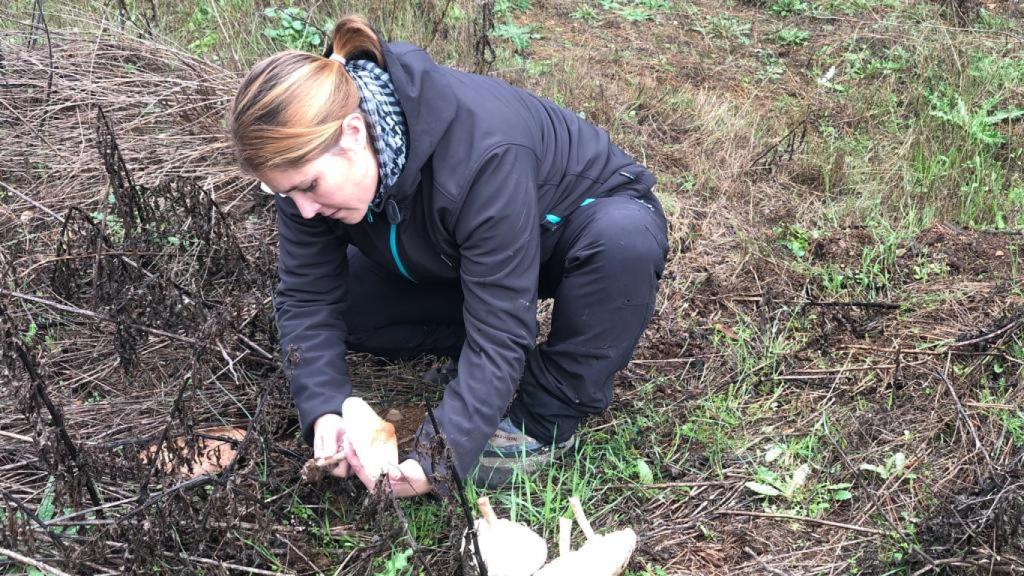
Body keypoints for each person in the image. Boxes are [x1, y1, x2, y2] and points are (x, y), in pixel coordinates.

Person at [228, 15, 668, 497]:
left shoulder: (484, 153)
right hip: (453, 252)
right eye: (286, 193)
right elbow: (308, 296)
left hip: (564, 234)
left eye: (310, 186)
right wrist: (324, 409)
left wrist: (439, 457)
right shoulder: (306, 174)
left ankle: (546, 416)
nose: (305, 210)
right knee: (354, 310)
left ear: (353, 133)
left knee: (623, 241)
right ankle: (472, 350)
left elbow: (501, 329)